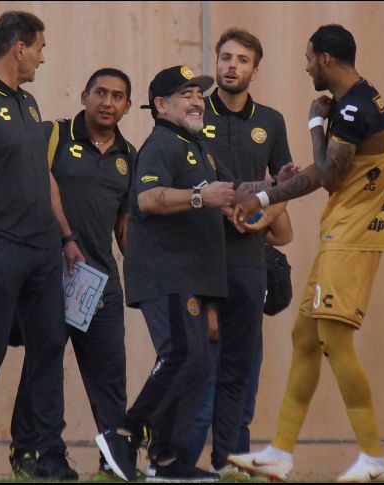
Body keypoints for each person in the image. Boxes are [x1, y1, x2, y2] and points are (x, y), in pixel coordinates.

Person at [228, 24, 384, 482]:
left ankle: (373, 455)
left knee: (335, 341)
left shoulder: (354, 107)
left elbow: (330, 175)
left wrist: (313, 124)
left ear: (324, 58)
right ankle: (281, 451)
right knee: (305, 338)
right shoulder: (353, 103)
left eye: (307, 58)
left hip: (354, 237)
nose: (304, 67)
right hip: (340, 233)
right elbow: (323, 171)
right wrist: (265, 191)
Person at [0, 10, 82, 480]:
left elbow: (43, 177)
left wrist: (65, 236)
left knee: (48, 351)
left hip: (45, 252)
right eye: (40, 48)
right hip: (0, 251)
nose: (43, 59)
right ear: (19, 47)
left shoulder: (28, 104)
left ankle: (46, 455)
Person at [94, 65, 235, 482]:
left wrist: (271, 187)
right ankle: (123, 432)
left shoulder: (200, 147)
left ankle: (167, 460)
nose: (197, 101)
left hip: (191, 275)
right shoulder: (162, 143)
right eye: (186, 94)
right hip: (165, 273)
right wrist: (199, 196)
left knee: (195, 363)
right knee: (181, 355)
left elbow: (221, 192)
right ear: (160, 105)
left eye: (199, 94)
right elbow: (150, 199)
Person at [7, 67, 139, 480]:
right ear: (84, 95)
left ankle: (114, 458)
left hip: (101, 284)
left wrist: (148, 274)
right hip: (48, 274)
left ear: (127, 106)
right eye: (100, 92)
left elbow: (125, 227)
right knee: (43, 366)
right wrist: (64, 237)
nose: (107, 102)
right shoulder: (54, 136)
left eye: (117, 96)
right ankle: (39, 455)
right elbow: (33, 185)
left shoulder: (129, 156)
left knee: (110, 375)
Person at [188, 27, 293, 481]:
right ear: (217, 61)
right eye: (225, 57)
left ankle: (231, 465)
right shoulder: (192, 112)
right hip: (197, 257)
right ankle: (175, 466)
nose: (232, 66)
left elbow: (287, 182)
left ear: (254, 69)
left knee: (240, 373)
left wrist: (261, 218)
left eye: (242, 59)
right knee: (197, 376)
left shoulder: (270, 120)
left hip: (250, 260)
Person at [187, 209, 294, 477]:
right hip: (215, 315)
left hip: (246, 321)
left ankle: (233, 471)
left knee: (242, 409)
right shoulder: (211, 192)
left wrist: (273, 196)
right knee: (201, 410)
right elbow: (192, 253)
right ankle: (177, 470)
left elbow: (284, 233)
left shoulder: (252, 203)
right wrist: (208, 311)